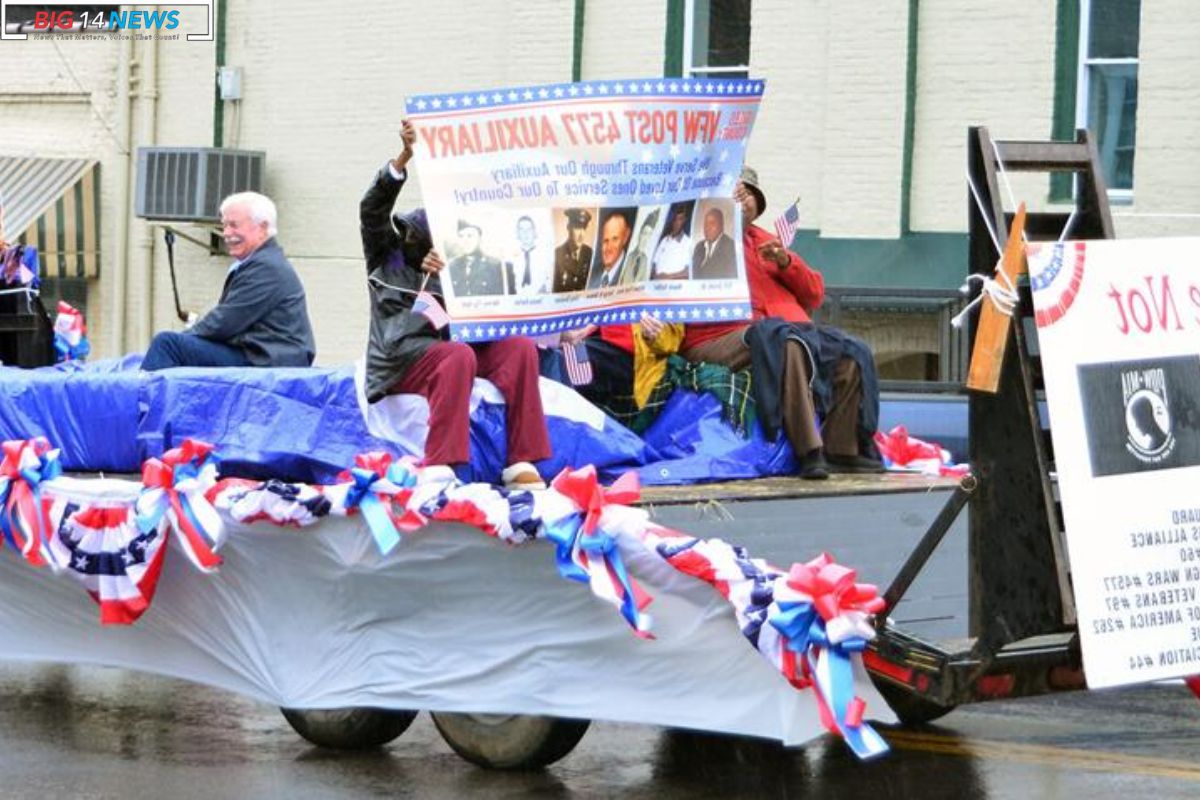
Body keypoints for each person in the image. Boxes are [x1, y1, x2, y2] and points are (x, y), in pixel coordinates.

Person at [360, 120, 550, 489]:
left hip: (455, 346)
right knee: (457, 355)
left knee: (519, 348)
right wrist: (405, 158)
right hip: (404, 355)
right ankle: (441, 461)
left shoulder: (466, 262)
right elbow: (372, 209)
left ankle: (522, 460)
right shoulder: (389, 254)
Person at [679, 166, 882, 479]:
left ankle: (844, 448)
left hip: (782, 330)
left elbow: (814, 293)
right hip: (720, 338)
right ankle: (808, 450)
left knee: (851, 351)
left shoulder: (767, 241)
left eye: (750, 195)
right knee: (783, 342)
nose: (743, 200)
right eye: (736, 193)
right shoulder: (697, 240)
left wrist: (787, 263)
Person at [141, 191, 315, 370]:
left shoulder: (266, 268)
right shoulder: (263, 262)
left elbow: (224, 323)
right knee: (175, 345)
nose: (226, 233)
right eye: (224, 226)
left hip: (267, 361)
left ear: (263, 228)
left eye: (234, 225)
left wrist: (185, 338)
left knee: (168, 345)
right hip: (260, 355)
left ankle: (138, 397)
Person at [446, 220, 504, 296]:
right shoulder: (452, 266)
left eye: (470, 236)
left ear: (480, 239)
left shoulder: (495, 265)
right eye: (461, 236)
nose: (465, 241)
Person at [588, 209, 634, 289]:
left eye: (615, 239)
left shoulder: (632, 274)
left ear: (626, 237)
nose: (609, 248)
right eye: (605, 241)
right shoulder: (591, 275)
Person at [505, 215, 549, 295]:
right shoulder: (510, 258)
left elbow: (550, 282)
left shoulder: (545, 257)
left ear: (534, 232)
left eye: (529, 229)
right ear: (518, 233)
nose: (526, 233)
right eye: (522, 230)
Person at [553, 208, 593, 292]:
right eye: (578, 228)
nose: (581, 235)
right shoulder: (557, 255)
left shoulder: (590, 254)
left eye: (584, 228)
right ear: (569, 227)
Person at [691, 206, 737, 280]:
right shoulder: (699, 247)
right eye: (705, 224)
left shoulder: (731, 247)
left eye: (712, 223)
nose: (707, 228)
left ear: (721, 225)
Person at [651, 203, 692, 280]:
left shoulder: (688, 242)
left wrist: (667, 277)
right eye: (674, 219)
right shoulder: (664, 240)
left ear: (684, 220)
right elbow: (654, 264)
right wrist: (655, 276)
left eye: (680, 219)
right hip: (656, 287)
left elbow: (687, 272)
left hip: (675, 288)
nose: (676, 223)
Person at [621, 209, 659, 285]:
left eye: (649, 235)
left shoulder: (645, 260)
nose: (646, 239)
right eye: (645, 233)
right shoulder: (628, 255)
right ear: (640, 234)